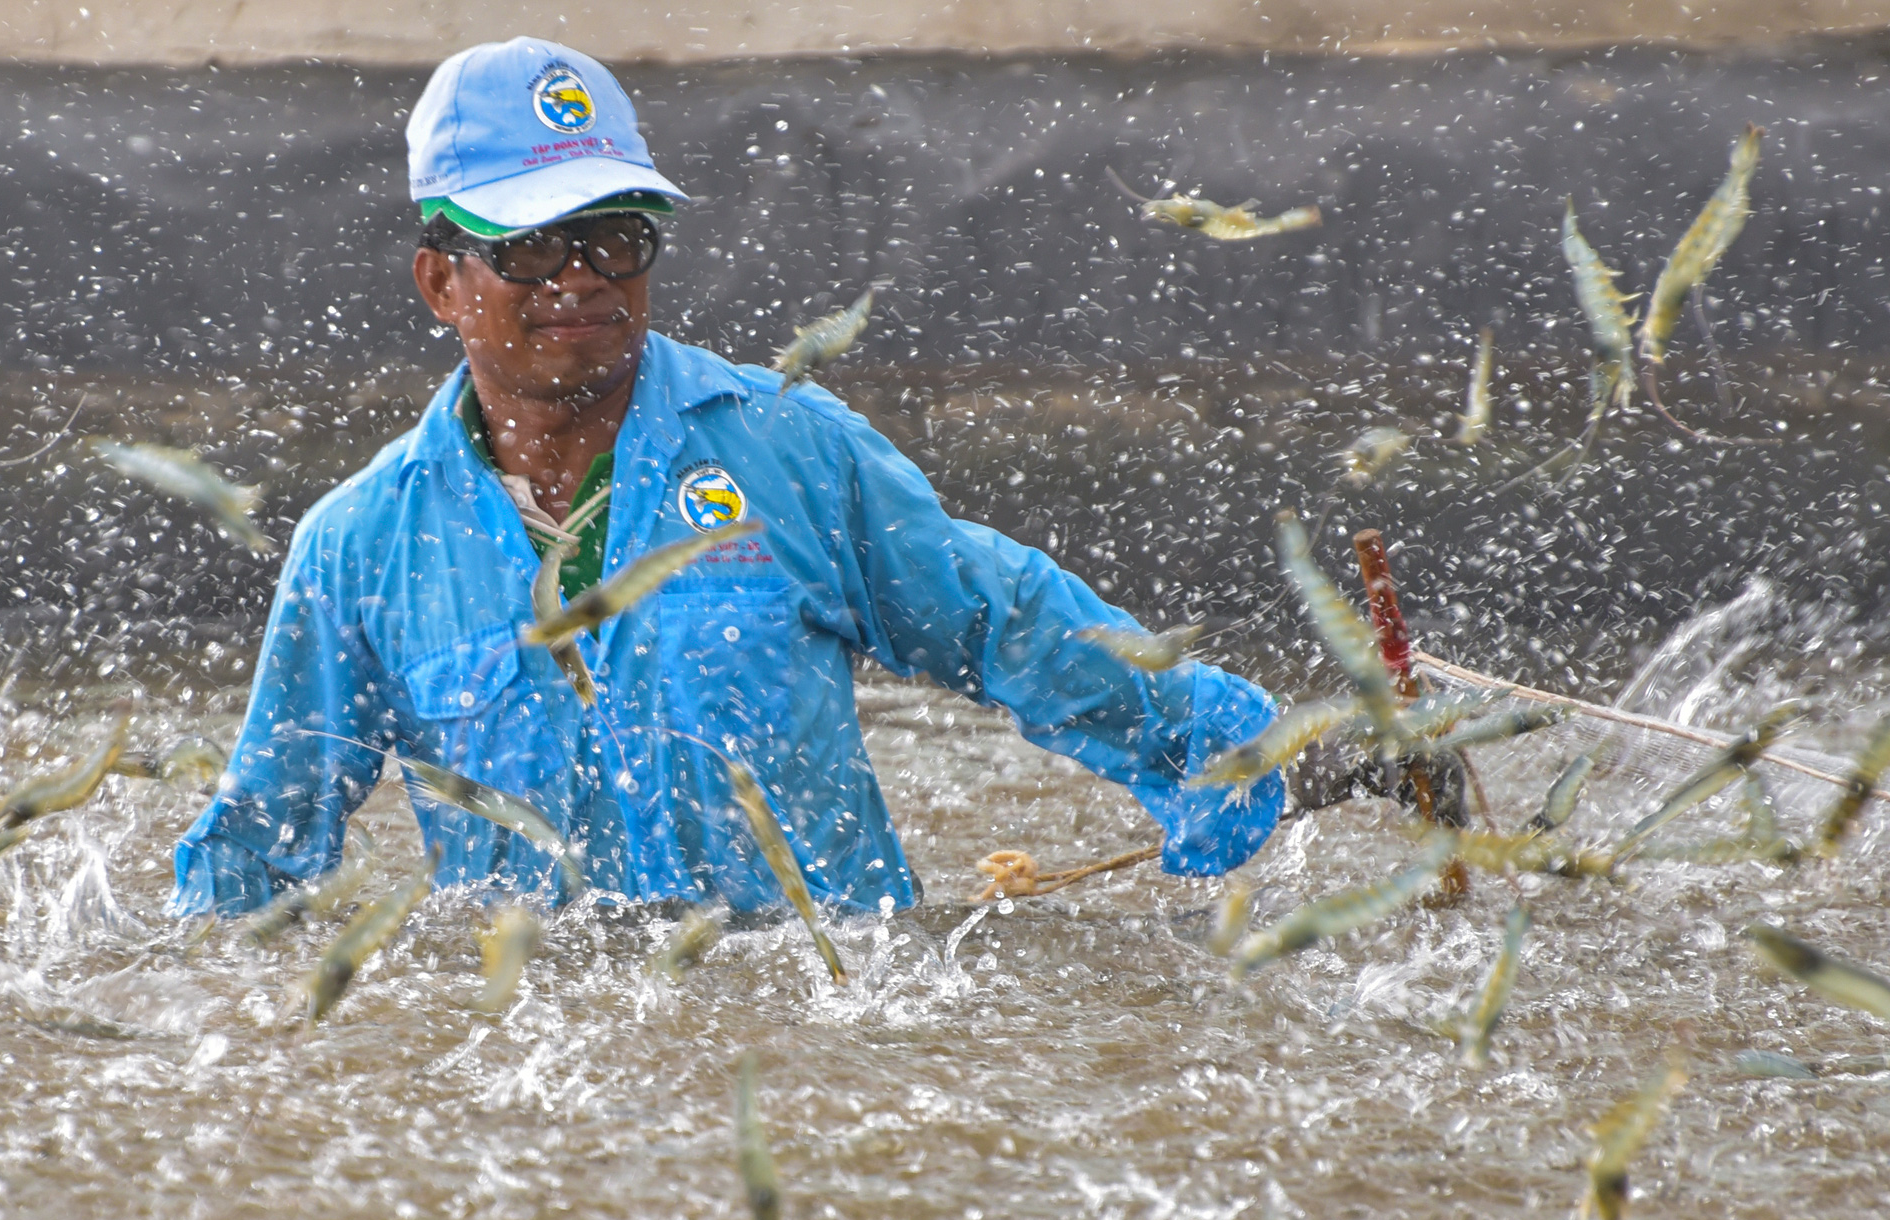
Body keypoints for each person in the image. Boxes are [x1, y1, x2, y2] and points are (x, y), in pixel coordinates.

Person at [170, 37, 1389, 918]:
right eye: (530, 244)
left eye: (616, 236)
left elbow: (1004, 620)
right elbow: (259, 851)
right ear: (441, 282)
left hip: (829, 1025)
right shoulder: (359, 547)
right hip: (548, 1081)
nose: (580, 276)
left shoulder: (786, 448)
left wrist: (1272, 751)